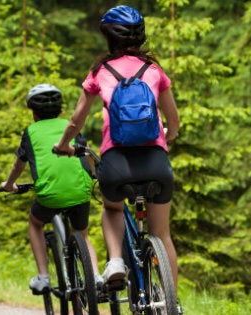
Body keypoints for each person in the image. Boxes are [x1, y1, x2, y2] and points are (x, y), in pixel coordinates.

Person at [53, 5, 180, 292]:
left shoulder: (99, 71)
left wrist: (62, 145)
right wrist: (167, 137)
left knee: (112, 207)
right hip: (156, 163)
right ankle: (174, 301)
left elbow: (76, 121)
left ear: (108, 37)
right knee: (163, 234)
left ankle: (116, 262)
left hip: (117, 163)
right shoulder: (154, 70)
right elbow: (173, 120)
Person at [0, 83, 103, 293]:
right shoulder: (70, 125)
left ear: (33, 111)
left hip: (50, 195)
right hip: (80, 190)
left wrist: (10, 185)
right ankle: (96, 276)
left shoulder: (30, 132)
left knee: (35, 222)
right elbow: (85, 153)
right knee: (82, 234)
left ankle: (43, 276)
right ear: (59, 108)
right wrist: (92, 175)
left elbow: (19, 164)